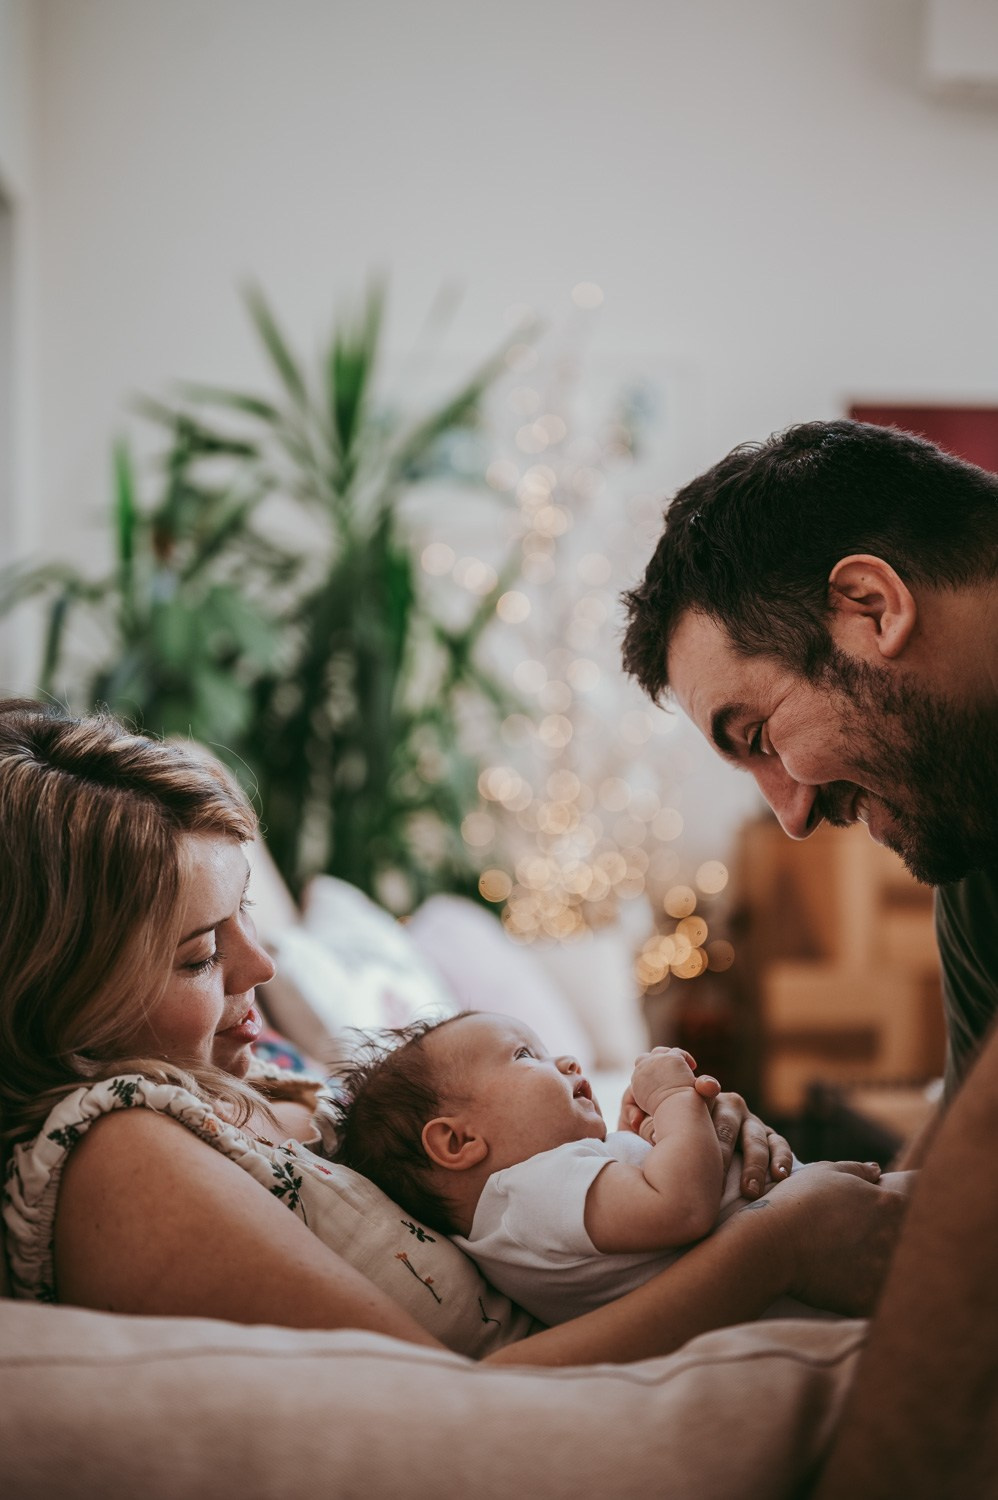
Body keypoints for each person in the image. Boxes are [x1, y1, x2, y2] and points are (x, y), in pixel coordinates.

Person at [0, 696, 900, 1371]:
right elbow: (443, 1406)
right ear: (61, 992)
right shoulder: (118, 1153)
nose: (263, 969)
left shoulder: (246, 1083)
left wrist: (652, 1143)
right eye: (199, 955)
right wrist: (775, 1240)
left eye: (244, 916)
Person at [621, 416, 998, 1492]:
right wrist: (791, 1228)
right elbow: (956, 1214)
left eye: (755, 737)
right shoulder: (976, 861)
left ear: (869, 606)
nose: (786, 814)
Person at [331, 1011, 885, 1326]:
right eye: (526, 1056)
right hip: (842, 1268)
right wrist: (670, 1097)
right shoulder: (522, 1195)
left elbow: (639, 1194)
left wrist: (631, 1138)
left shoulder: (537, 1198)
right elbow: (681, 1206)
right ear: (458, 1141)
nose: (567, 1061)